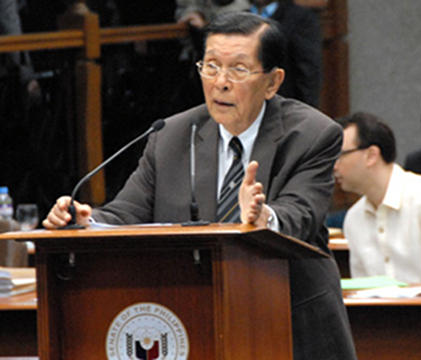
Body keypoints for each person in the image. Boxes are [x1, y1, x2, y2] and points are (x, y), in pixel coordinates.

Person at [44, 12, 356, 360]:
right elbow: (126, 213)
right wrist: (87, 220)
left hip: (291, 322)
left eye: (238, 69)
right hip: (194, 319)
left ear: (272, 82)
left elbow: (301, 215)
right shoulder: (170, 136)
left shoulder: (313, 134)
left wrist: (264, 216)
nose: (220, 82)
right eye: (210, 66)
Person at [334, 112, 421, 283]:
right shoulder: (354, 217)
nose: (333, 166)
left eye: (339, 155)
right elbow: (363, 289)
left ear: (371, 155)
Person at [249, 0, 323, 107]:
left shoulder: (300, 18)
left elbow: (308, 69)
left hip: (283, 104)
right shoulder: (239, 18)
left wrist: (307, 108)